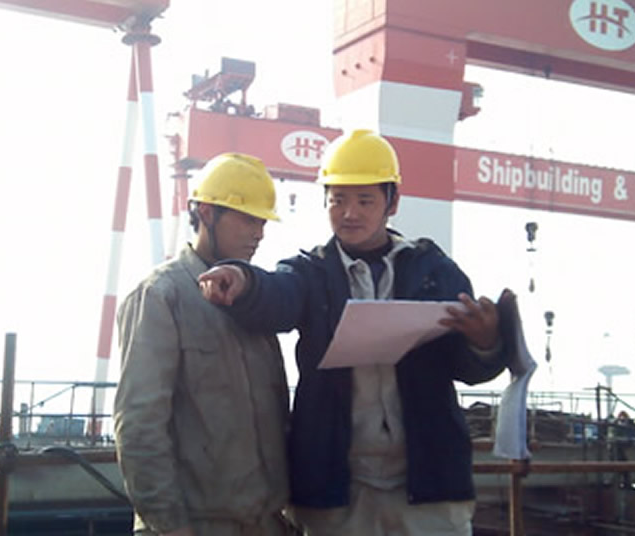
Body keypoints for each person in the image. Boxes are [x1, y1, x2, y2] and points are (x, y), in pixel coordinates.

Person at [199, 129, 514, 536]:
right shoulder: (309, 273)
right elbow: (278, 295)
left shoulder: (434, 272)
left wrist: (485, 341)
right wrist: (244, 281)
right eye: (338, 200)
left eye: (365, 200)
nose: (350, 213)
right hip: (337, 492)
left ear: (392, 202)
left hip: (428, 491)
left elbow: (467, 368)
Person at [114, 153, 292, 536]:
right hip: (194, 525)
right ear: (207, 213)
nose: (258, 233)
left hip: (266, 523)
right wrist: (171, 526)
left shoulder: (255, 299)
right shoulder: (161, 296)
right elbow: (140, 426)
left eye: (262, 222)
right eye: (248, 219)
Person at [608, 410, 635, 488]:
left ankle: (623, 483)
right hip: (615, 449)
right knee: (620, 468)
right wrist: (625, 439)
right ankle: (618, 484)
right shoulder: (614, 426)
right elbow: (612, 438)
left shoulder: (629, 425)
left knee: (622, 468)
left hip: (620, 449)